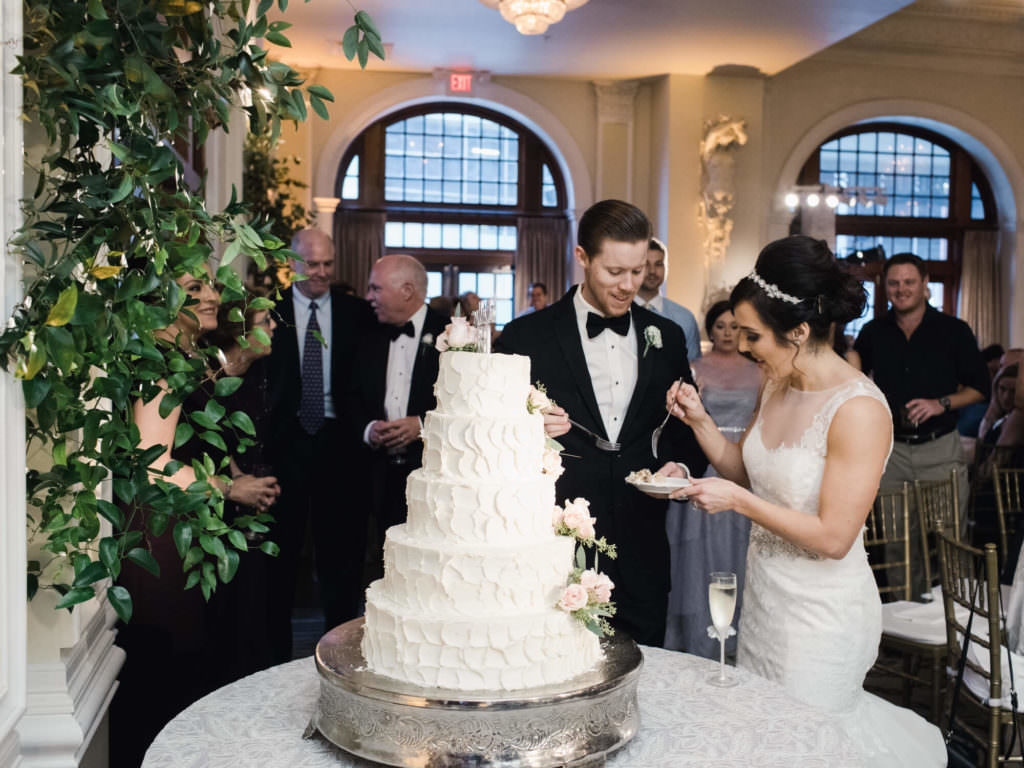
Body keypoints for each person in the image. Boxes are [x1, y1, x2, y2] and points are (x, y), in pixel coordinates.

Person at [657, 235, 944, 765]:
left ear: (799, 331)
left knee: (810, 746)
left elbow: (835, 537)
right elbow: (747, 471)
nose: (742, 347)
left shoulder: (858, 409)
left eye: (752, 335)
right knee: (764, 739)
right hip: (766, 602)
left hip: (823, 618)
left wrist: (738, 504)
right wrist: (700, 421)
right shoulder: (777, 384)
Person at [497, 199, 707, 646]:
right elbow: (490, 438)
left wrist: (681, 470)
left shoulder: (666, 337)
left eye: (638, 271)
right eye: (614, 272)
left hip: (643, 548)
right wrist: (527, 432)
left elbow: (683, 433)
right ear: (582, 258)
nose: (628, 285)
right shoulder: (524, 337)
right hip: (553, 549)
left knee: (644, 678)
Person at [113, 271, 279, 767]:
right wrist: (231, 487)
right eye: (192, 287)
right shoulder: (156, 363)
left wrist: (228, 468)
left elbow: (192, 427)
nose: (211, 295)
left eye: (211, 284)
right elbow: (152, 463)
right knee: (168, 677)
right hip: (162, 539)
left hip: (184, 534)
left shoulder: (182, 359)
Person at [264, 229, 374, 664]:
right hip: (284, 445)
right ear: (292, 264)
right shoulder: (267, 312)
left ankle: (340, 655)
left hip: (341, 444)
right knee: (280, 558)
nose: (323, 272)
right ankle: (273, 657)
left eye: (329, 263)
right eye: (313, 264)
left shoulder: (356, 313)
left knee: (341, 559)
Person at [854, 251, 989, 596]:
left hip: (940, 448)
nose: (901, 290)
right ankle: (908, 629)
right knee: (897, 544)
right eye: (894, 283)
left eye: (909, 282)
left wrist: (940, 403)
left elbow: (979, 389)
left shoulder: (954, 331)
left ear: (925, 284)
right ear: (885, 286)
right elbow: (853, 379)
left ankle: (953, 625)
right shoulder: (872, 332)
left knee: (948, 540)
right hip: (891, 452)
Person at [664, 300, 761, 656]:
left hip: (745, 465)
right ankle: (697, 638)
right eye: (719, 326)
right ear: (709, 329)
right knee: (700, 557)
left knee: (740, 551)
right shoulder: (695, 368)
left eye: (733, 326)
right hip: (706, 463)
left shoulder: (760, 370)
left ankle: (739, 639)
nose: (727, 333)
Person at [349, 254, 447, 575]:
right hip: (373, 473)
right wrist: (368, 429)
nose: (369, 297)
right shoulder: (367, 331)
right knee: (382, 565)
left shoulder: (453, 334)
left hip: (431, 475)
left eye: (376, 289)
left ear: (407, 291)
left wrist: (421, 425)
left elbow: (465, 403)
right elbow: (348, 394)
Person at [202, 292, 282, 686]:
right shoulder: (209, 378)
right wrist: (238, 483)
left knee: (255, 604)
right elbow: (210, 439)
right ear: (242, 330)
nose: (273, 329)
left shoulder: (258, 374)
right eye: (265, 322)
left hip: (254, 500)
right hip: (216, 504)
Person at [634, 237, 701, 362]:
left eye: (659, 264)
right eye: (645, 264)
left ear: (667, 268)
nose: (652, 271)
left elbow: (693, 367)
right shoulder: (618, 313)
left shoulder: (684, 318)